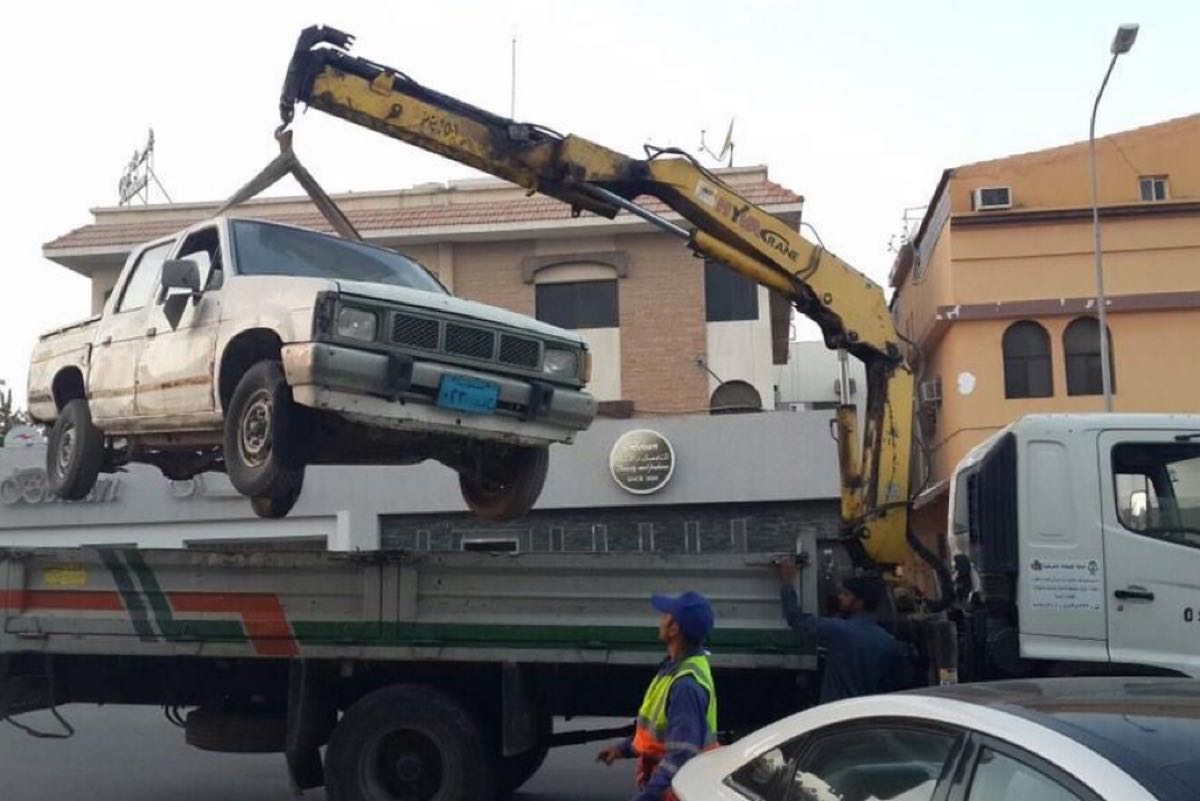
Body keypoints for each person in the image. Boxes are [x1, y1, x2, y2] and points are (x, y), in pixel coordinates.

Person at [597, 591, 719, 801]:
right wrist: (623, 749)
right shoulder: (676, 669)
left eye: (666, 615)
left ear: (674, 628)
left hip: (675, 793)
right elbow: (658, 733)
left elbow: (681, 754)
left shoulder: (685, 685)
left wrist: (648, 797)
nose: (660, 619)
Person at [776, 558, 910, 703]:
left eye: (846, 594)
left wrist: (787, 582)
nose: (840, 597)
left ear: (859, 602)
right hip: (865, 711)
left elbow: (798, 620)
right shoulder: (887, 642)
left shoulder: (839, 631)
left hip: (835, 709)